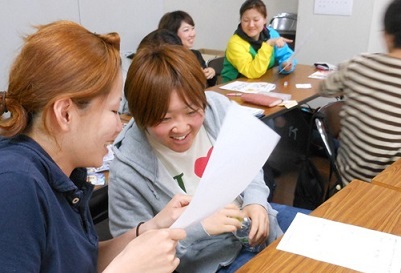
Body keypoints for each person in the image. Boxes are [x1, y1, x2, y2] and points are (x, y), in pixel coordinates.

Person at [0, 20, 191, 273]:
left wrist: (149, 229)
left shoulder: (63, 174)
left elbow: (79, 263)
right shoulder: (15, 185)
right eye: (113, 110)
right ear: (65, 113)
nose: (119, 126)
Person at [108, 44, 309, 273]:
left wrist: (256, 201)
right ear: (141, 115)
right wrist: (199, 229)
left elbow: (248, 161)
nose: (181, 128)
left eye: (192, 111)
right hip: (208, 261)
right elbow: (136, 257)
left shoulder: (217, 107)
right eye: (164, 119)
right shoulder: (127, 169)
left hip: (254, 227)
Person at [319, 0, 401, 186]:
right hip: (391, 185)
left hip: (350, 181)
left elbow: (325, 88)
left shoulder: (359, 64)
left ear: (387, 37)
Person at [221, 0, 297, 83]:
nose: (251, 25)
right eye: (246, 20)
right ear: (241, 20)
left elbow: (286, 55)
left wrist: (285, 65)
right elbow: (252, 72)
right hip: (234, 87)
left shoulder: (271, 34)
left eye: (256, 20)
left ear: (264, 20)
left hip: (262, 83)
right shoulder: (235, 43)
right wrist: (268, 45)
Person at [158, 10, 217, 87]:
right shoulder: (164, 60)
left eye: (192, 28)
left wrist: (211, 73)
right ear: (172, 34)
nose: (192, 34)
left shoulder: (196, 55)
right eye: (186, 30)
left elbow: (208, 85)